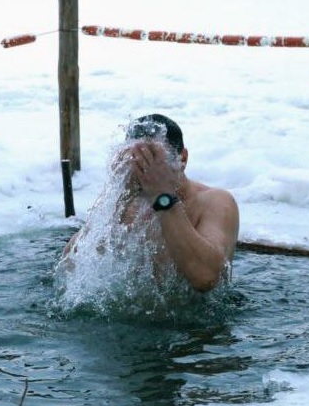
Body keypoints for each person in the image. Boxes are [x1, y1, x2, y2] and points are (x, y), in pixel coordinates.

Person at [61, 114, 239, 292]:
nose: (147, 170)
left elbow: (206, 277)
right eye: (138, 160)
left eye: (155, 159)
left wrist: (162, 196)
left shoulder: (214, 202)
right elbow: (70, 266)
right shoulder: (127, 201)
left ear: (182, 159)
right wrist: (118, 194)